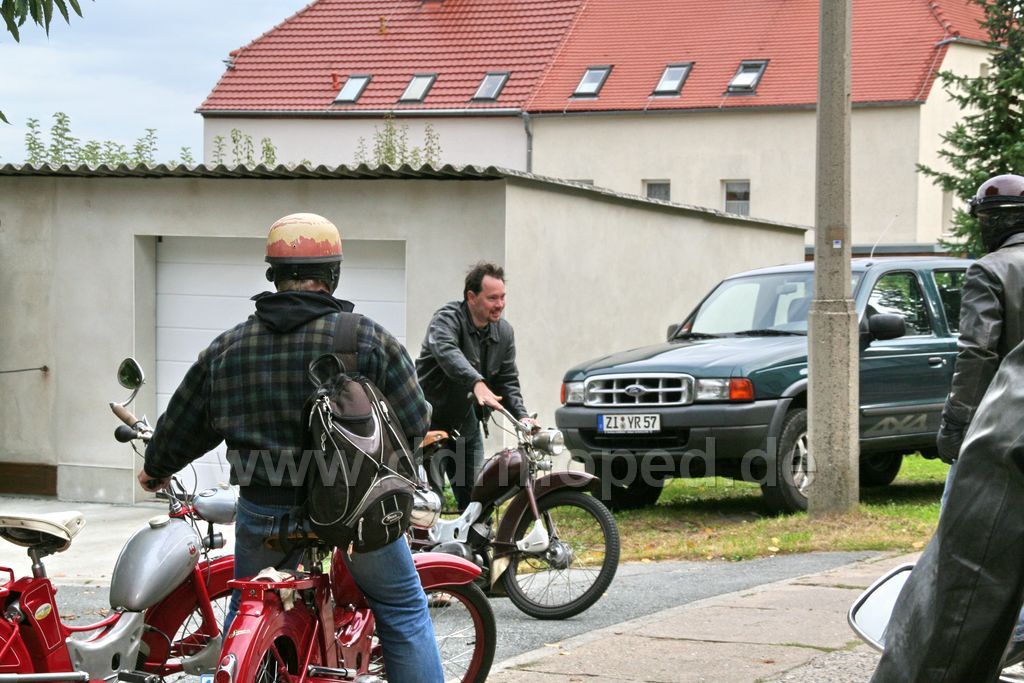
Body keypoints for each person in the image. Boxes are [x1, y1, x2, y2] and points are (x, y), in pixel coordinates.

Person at [137, 212, 443, 682]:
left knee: (248, 613)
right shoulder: (367, 339)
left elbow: (183, 426)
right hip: (356, 510)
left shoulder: (229, 348)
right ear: (333, 274)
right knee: (402, 608)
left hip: (265, 512)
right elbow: (416, 419)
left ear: (273, 275)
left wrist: (156, 468)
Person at [871, 175, 1024, 682]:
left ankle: (952, 649)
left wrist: (956, 429)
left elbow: (977, 353)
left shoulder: (991, 269)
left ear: (990, 221)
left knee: (955, 554)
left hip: (996, 434)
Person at [415, 262, 536, 510]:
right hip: (429, 425)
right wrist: (476, 382)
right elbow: (447, 351)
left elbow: (507, 381)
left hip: (466, 426)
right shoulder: (446, 320)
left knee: (477, 502)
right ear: (471, 297)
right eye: (492, 298)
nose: (500, 304)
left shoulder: (504, 333)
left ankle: (475, 537)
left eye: (502, 297)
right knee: (429, 505)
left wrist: (522, 416)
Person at [935, 173, 1024, 468]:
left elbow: (978, 350)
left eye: (983, 219)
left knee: (963, 493)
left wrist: (957, 422)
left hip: (1005, 419)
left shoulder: (989, 270)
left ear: (996, 220)